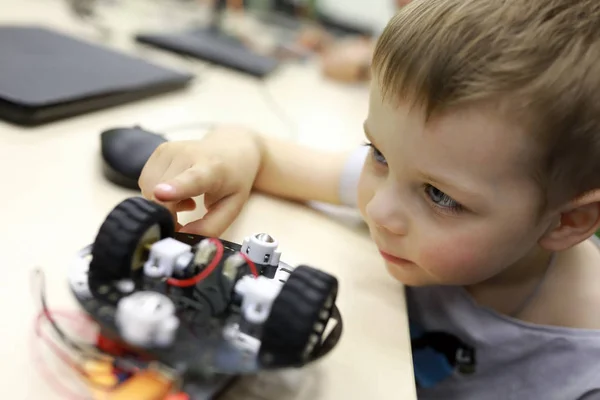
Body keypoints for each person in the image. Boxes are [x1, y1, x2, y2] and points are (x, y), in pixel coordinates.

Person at [138, 0, 600, 398]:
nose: (377, 209)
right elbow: (257, 149)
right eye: (377, 153)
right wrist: (219, 157)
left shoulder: (581, 377)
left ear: (568, 222)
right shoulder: (417, 178)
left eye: (439, 196)